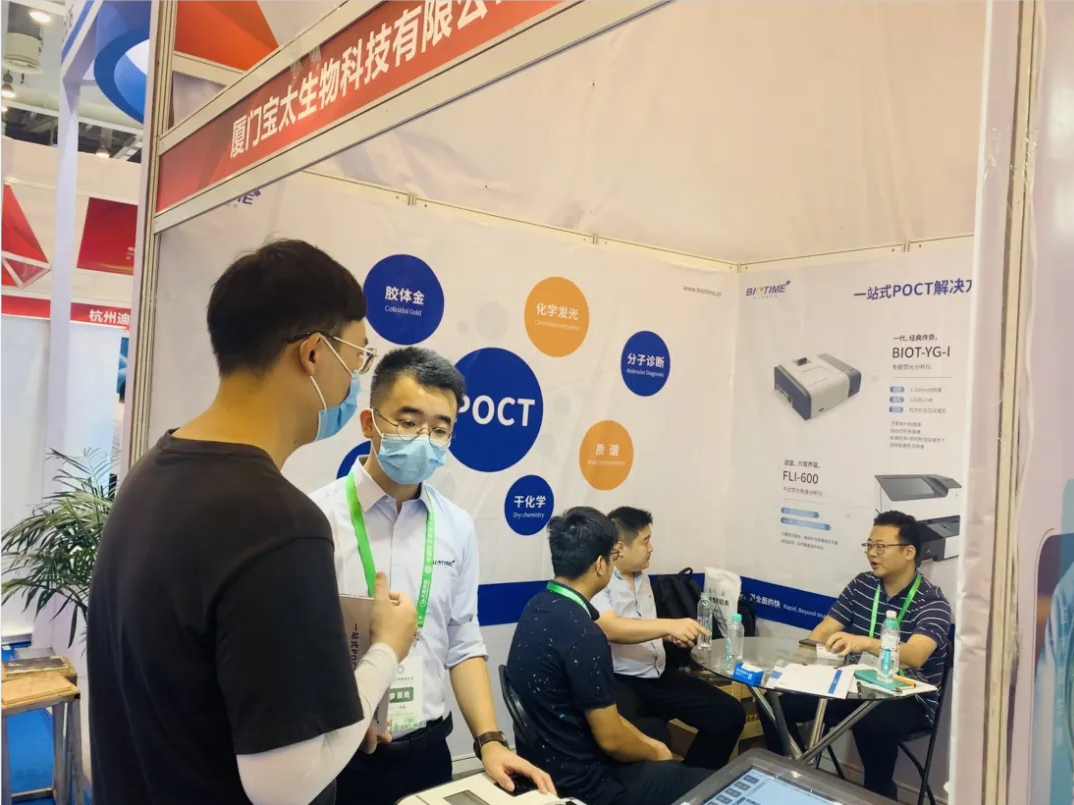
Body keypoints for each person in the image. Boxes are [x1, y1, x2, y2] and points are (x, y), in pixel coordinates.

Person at [87, 240, 419, 805]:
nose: (353, 382)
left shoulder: (153, 471)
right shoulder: (280, 525)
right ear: (313, 354)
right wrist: (387, 648)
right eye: (357, 358)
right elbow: (283, 786)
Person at [310, 346, 554, 805]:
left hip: (427, 754)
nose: (424, 438)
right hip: (338, 756)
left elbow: (463, 640)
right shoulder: (315, 518)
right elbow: (294, 648)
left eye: (440, 429)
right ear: (369, 423)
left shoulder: (456, 526)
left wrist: (490, 741)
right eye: (408, 421)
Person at [507, 507, 711, 805]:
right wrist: (656, 754)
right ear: (601, 565)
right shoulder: (585, 634)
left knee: (658, 742)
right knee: (708, 785)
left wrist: (649, 744)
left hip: (549, 766)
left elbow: (606, 718)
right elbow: (612, 740)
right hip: (588, 785)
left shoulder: (537, 607)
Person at [759, 510, 952, 798]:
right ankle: (791, 778)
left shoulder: (932, 601)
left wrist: (863, 642)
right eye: (869, 546)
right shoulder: (863, 585)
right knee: (774, 703)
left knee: (873, 725)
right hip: (854, 685)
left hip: (905, 696)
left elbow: (915, 655)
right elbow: (823, 630)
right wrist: (794, 667)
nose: (872, 554)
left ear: (909, 552)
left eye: (881, 547)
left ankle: (879, 795)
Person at [594, 507, 745, 770]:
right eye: (645, 541)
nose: (651, 548)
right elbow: (611, 628)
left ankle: (692, 779)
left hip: (657, 674)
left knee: (729, 714)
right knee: (649, 736)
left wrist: (668, 637)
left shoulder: (642, 576)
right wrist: (669, 626)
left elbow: (643, 626)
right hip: (620, 680)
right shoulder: (599, 579)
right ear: (619, 548)